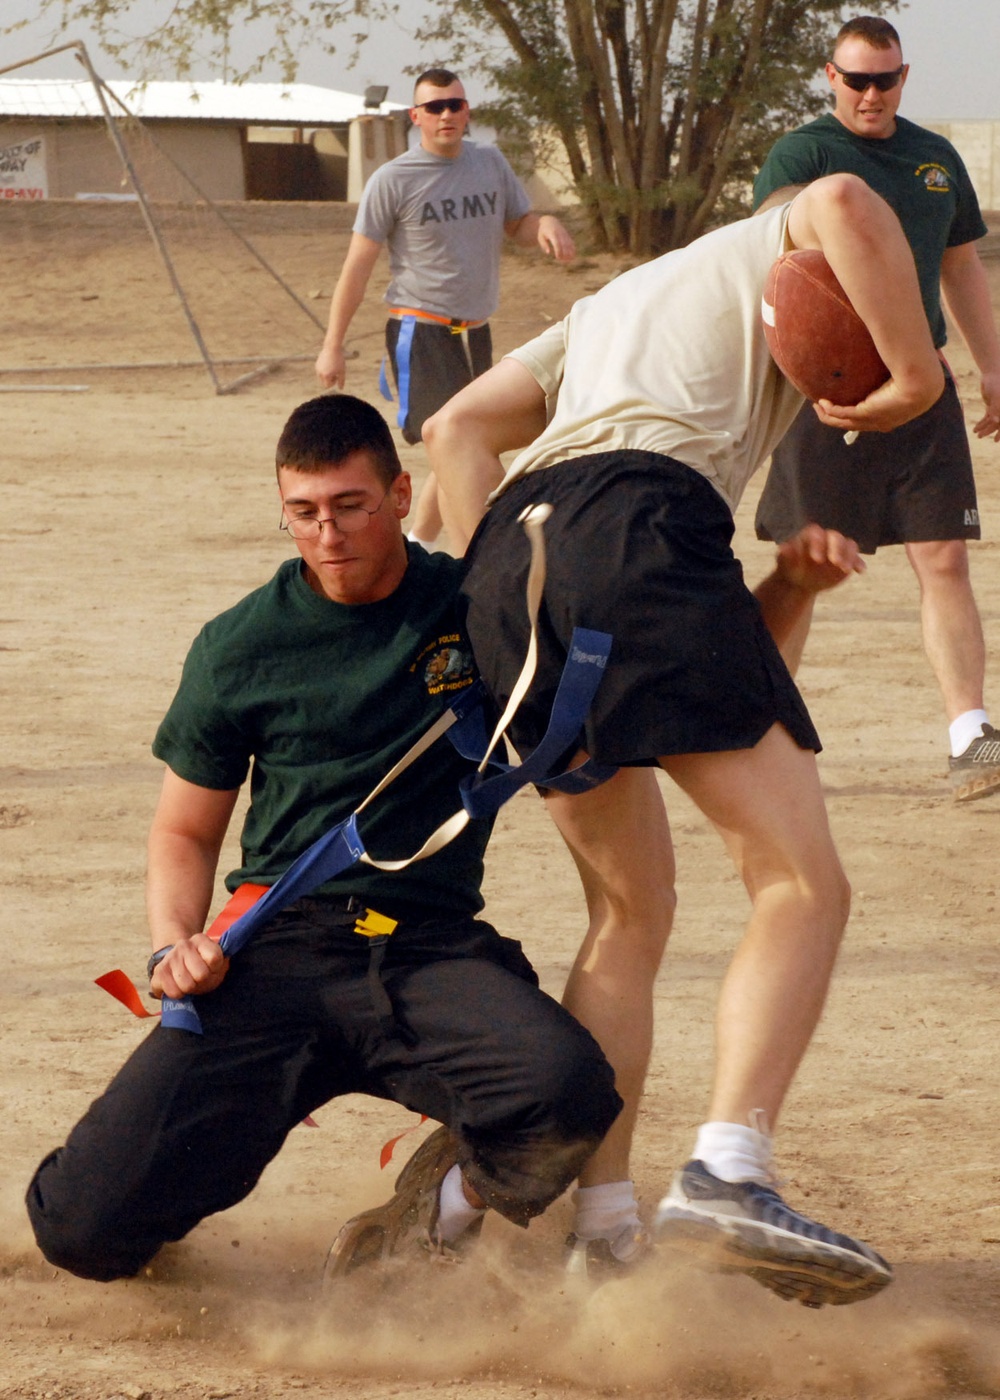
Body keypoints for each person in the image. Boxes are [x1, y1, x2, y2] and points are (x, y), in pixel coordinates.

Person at [418, 172, 944, 1306]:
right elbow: (848, 195)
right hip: (638, 518)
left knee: (629, 910)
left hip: (511, 566)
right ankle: (727, 1166)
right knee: (800, 882)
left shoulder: (614, 306)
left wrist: (507, 601)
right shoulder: (777, 235)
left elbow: (453, 428)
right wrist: (915, 373)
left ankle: (603, 1225)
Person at [24, 393, 623, 1284]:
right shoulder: (239, 646)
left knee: (569, 1092)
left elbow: (601, 661)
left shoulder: (474, 613)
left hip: (424, 948)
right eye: (303, 511)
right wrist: (172, 946)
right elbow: (184, 830)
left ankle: (440, 1202)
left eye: (350, 505)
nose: (329, 532)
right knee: (82, 1232)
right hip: (276, 952)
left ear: (396, 493)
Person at [752, 15, 1000, 803]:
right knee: (804, 566)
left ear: (903, 77)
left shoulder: (934, 158)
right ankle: (762, 737)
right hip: (824, 395)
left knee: (946, 558)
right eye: (855, 79)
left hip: (921, 385)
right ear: (830, 77)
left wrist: (992, 367)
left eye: (885, 78)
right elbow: (770, 268)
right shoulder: (803, 157)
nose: (870, 93)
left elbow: (961, 267)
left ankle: (972, 738)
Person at [314, 66, 576, 551]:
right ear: (416, 116)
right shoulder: (393, 180)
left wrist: (543, 224)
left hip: (476, 330)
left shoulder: (489, 163)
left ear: (467, 111)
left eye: (455, 104)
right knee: (450, 441)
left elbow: (518, 223)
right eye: (434, 107)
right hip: (422, 329)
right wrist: (333, 345)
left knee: (462, 440)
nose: (446, 114)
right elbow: (357, 267)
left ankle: (419, 547)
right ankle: (462, 557)